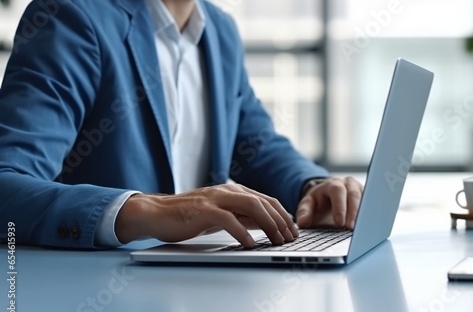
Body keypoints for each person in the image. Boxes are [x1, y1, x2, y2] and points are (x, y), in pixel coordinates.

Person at [0, 0, 363, 249]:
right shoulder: (71, 16)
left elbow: (258, 142)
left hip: (197, 291)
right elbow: (7, 186)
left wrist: (312, 185)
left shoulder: (219, 30)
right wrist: (149, 210)